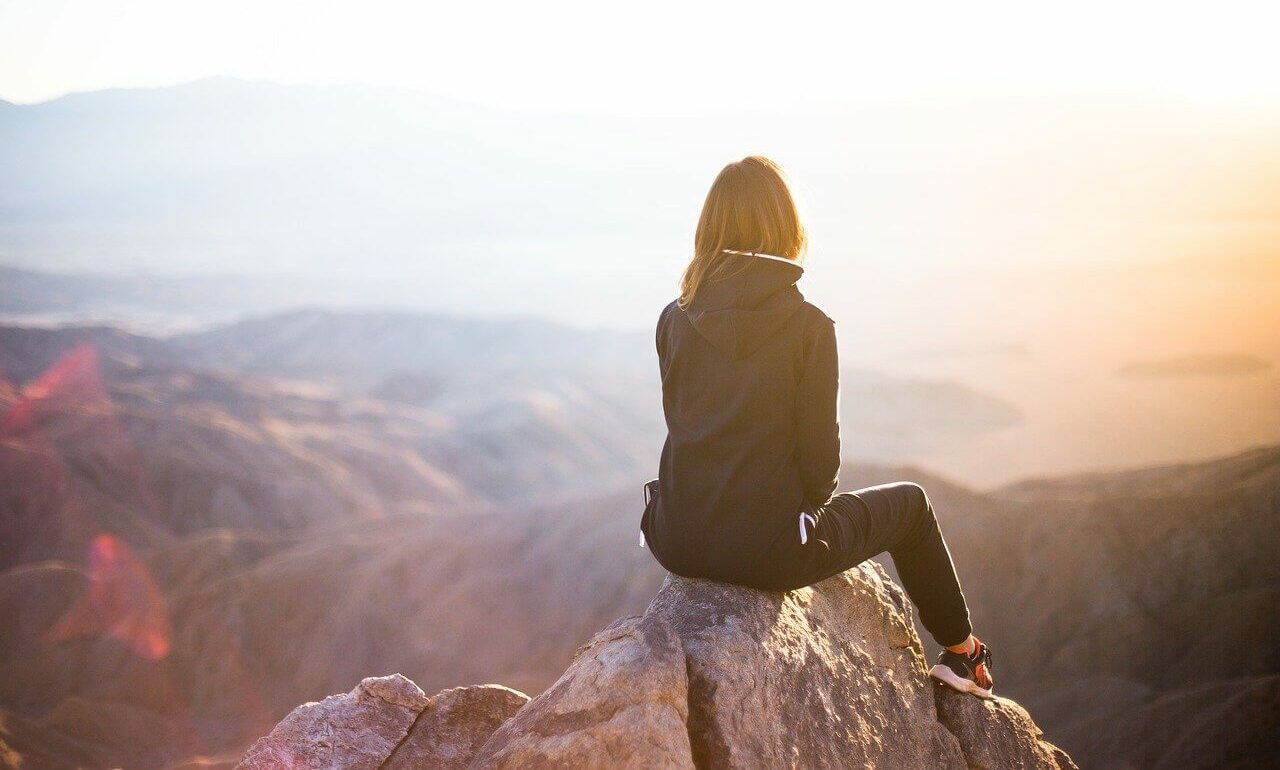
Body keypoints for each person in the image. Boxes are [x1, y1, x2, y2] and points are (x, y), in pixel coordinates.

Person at [640, 156, 994, 698]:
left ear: (708, 228)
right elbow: (821, 467)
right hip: (770, 552)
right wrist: (800, 518)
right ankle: (963, 654)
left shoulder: (673, 317)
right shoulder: (808, 328)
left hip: (675, 537)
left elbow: (687, 426)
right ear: (785, 228)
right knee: (913, 507)